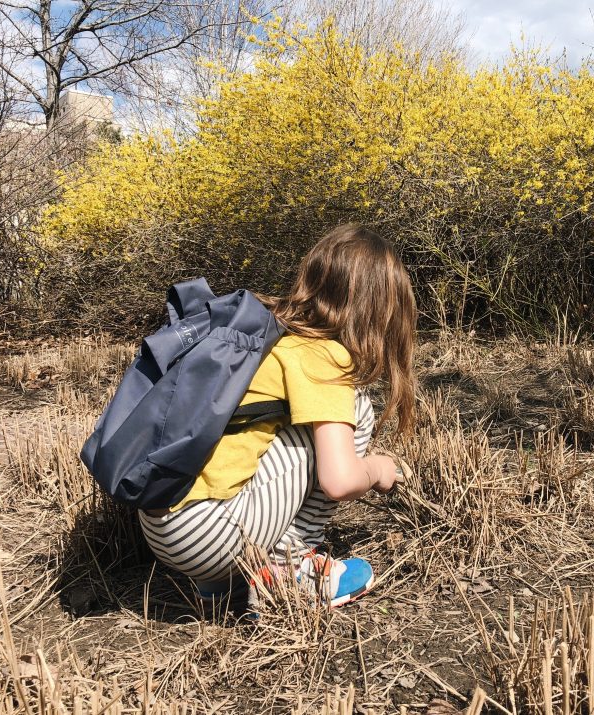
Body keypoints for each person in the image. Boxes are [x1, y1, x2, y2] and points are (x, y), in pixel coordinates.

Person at [138, 224, 416, 612]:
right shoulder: (323, 356)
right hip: (208, 533)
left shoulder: (270, 335)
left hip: (163, 528)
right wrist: (379, 468)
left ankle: (223, 583)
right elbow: (340, 481)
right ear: (379, 309)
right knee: (355, 410)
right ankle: (292, 567)